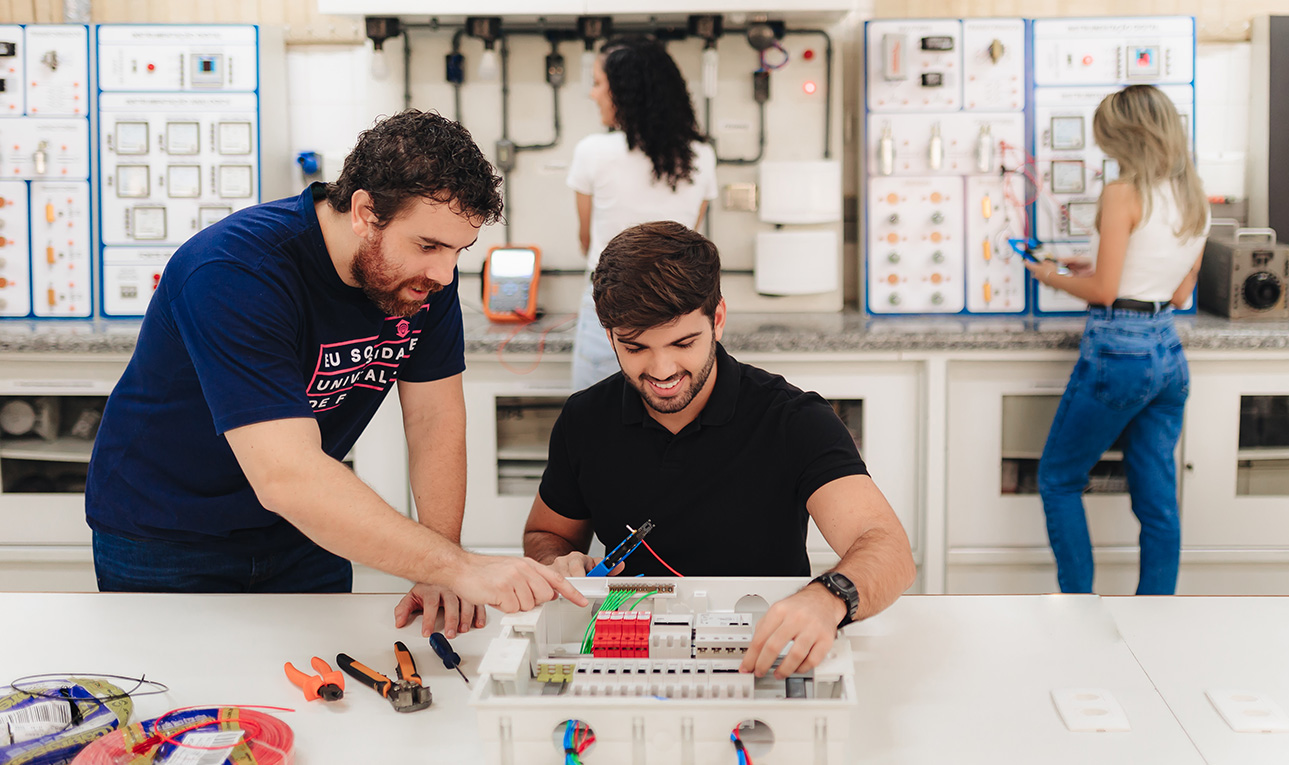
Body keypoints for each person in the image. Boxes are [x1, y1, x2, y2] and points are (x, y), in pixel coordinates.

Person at [85, 111, 586, 633]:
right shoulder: (235, 272)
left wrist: (441, 561)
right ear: (365, 212)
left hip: (307, 531)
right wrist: (458, 568)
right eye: (428, 245)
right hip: (167, 535)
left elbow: (434, 420)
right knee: (186, 704)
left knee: (322, 696)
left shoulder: (422, 285)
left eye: (459, 250)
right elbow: (286, 475)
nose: (444, 273)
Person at [523, 221, 917, 679]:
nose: (662, 369)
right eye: (635, 347)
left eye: (683, 342)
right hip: (632, 661)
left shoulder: (793, 420)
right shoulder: (585, 420)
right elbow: (545, 536)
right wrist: (557, 561)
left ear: (719, 319)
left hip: (763, 660)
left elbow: (888, 549)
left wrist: (827, 597)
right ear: (609, 336)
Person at [1023, 84, 1209, 595]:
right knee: (1157, 501)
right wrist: (1096, 260)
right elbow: (1176, 291)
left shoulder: (1123, 192)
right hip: (1168, 353)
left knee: (1058, 479)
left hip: (1120, 351)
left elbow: (1105, 291)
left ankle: (1082, 609)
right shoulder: (1194, 198)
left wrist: (1050, 275)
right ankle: (1155, 612)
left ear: (1126, 138)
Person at [567, 35, 717, 390]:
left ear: (625, 91)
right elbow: (685, 242)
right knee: (676, 425)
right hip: (679, 314)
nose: (593, 94)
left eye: (598, 83)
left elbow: (586, 239)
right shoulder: (701, 156)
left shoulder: (592, 152)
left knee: (597, 428)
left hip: (612, 311)